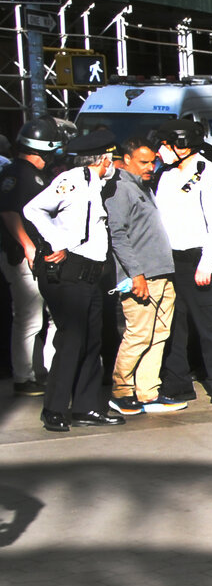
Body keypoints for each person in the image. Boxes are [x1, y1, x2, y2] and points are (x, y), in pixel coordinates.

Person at [24, 128, 123, 432]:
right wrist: (56, 242)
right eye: (112, 159)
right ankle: (54, 408)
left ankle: (86, 407)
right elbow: (32, 209)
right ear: (103, 159)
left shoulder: (95, 184)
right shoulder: (71, 182)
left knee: (92, 341)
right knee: (72, 340)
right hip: (69, 273)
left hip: (91, 274)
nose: (114, 165)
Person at [153, 122, 212, 409]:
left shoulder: (210, 175)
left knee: (211, 325)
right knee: (176, 326)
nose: (161, 150)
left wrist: (207, 263)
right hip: (172, 260)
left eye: (166, 144)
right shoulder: (163, 175)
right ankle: (177, 383)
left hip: (200, 260)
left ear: (184, 145)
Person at [104, 130, 179, 415]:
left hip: (161, 273)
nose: (150, 167)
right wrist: (135, 274)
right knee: (139, 334)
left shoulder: (142, 185)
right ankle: (121, 391)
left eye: (153, 162)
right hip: (142, 276)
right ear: (127, 159)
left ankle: (148, 391)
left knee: (159, 333)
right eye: (144, 162)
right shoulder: (121, 188)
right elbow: (117, 234)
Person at [2, 123, 66, 398]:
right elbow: (8, 212)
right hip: (23, 257)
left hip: (38, 255)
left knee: (49, 317)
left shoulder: (26, 173)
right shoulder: (18, 174)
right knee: (29, 319)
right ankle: (24, 376)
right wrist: (27, 247)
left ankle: (47, 370)